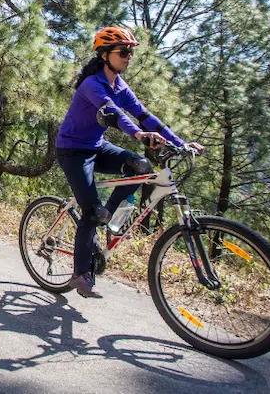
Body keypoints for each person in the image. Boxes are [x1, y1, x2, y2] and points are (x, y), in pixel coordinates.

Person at [56, 26, 203, 298]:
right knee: (91, 211)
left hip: (97, 147)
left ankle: (107, 216)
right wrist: (138, 133)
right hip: (72, 151)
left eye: (130, 53)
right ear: (104, 55)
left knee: (140, 166)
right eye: (123, 52)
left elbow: (145, 116)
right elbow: (113, 114)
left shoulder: (120, 86)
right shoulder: (92, 84)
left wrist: (181, 143)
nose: (128, 57)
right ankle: (80, 273)